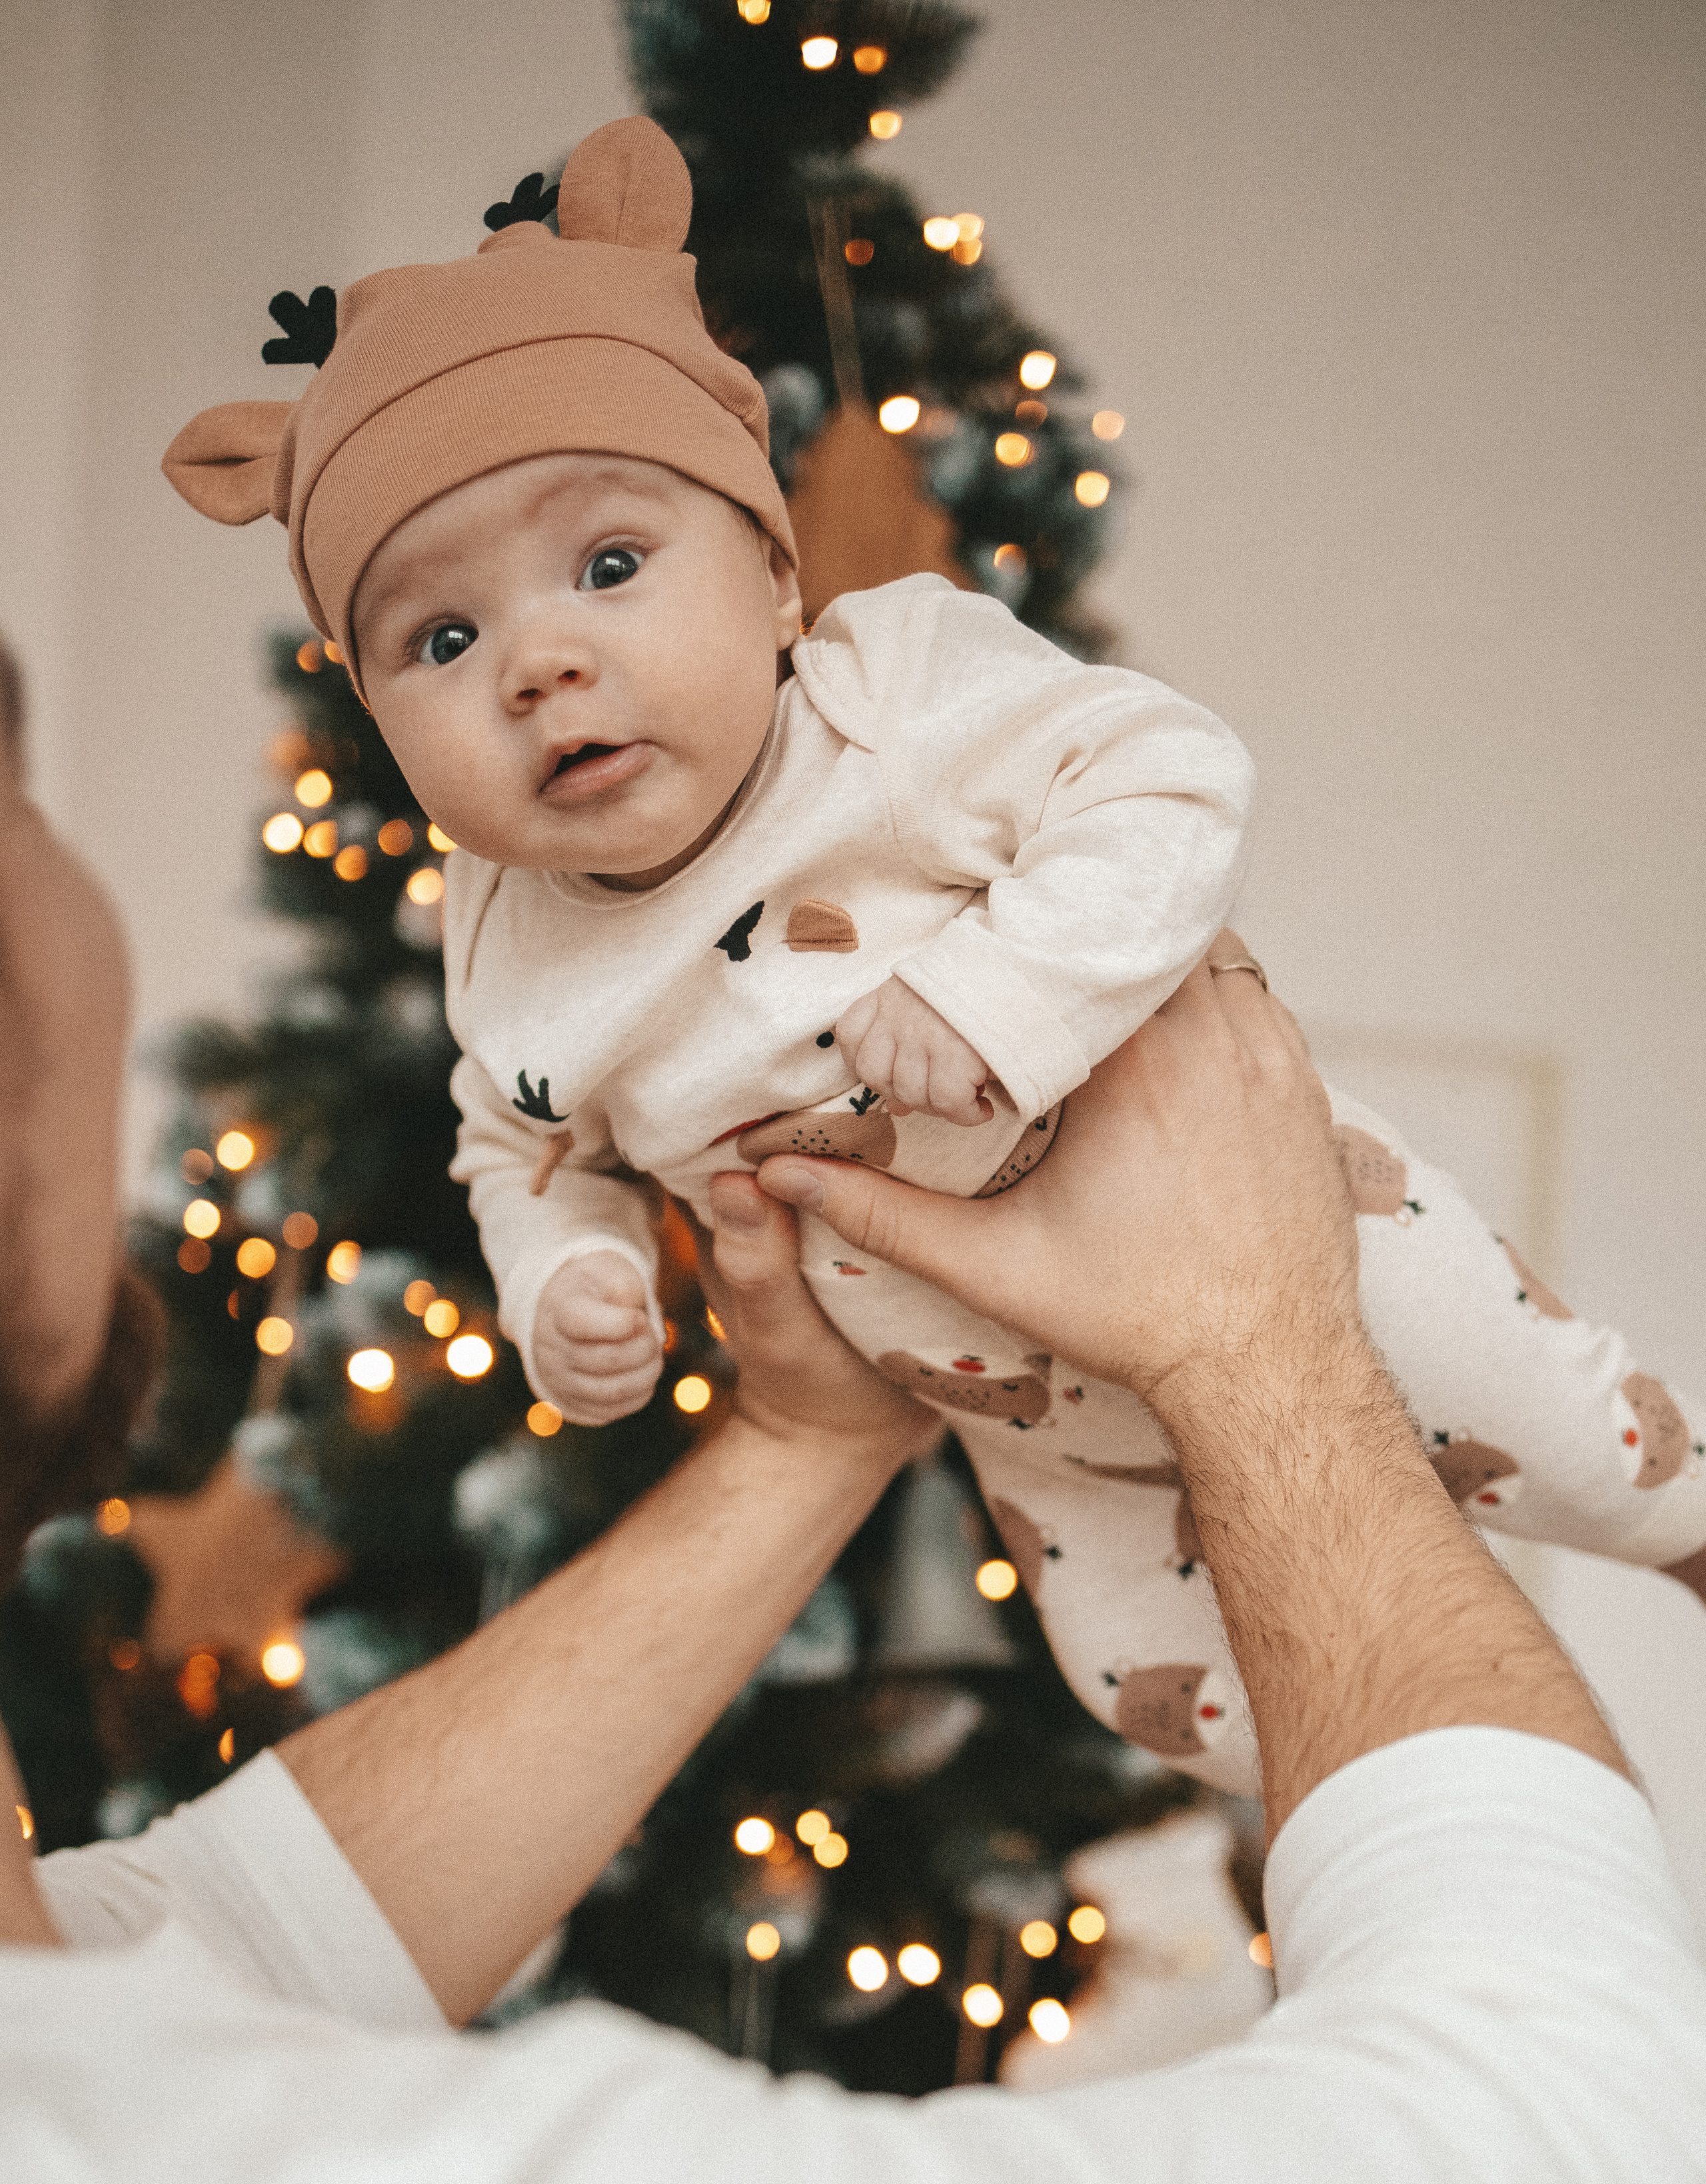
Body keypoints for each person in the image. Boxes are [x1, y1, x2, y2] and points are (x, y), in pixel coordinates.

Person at [3, 712, 1705, 2184]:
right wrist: (1253, 1337)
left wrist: (813, 1437)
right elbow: (1594, 2179)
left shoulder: (73, 2067)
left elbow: (213, 1941)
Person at [159, 115, 1706, 1800]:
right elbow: (520, 1143)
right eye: (441, 640)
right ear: (379, 722)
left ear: (767, 577)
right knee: (1149, 1687)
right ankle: (1437, 1813)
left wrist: (1004, 994)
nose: (539, 660)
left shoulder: (878, 696)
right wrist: (565, 1276)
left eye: (609, 565)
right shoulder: (503, 943)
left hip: (1287, 1257)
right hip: (1020, 1420)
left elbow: (1165, 777)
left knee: (1566, 1434)